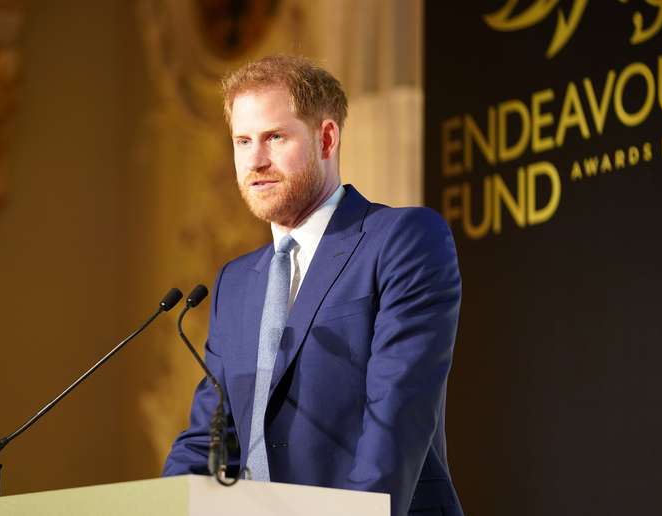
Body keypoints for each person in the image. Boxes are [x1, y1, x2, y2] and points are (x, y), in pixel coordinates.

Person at [163, 54, 463, 516]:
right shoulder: (235, 283)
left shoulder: (403, 240)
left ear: (326, 138)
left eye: (274, 137)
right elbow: (207, 441)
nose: (255, 160)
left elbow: (396, 420)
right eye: (242, 141)